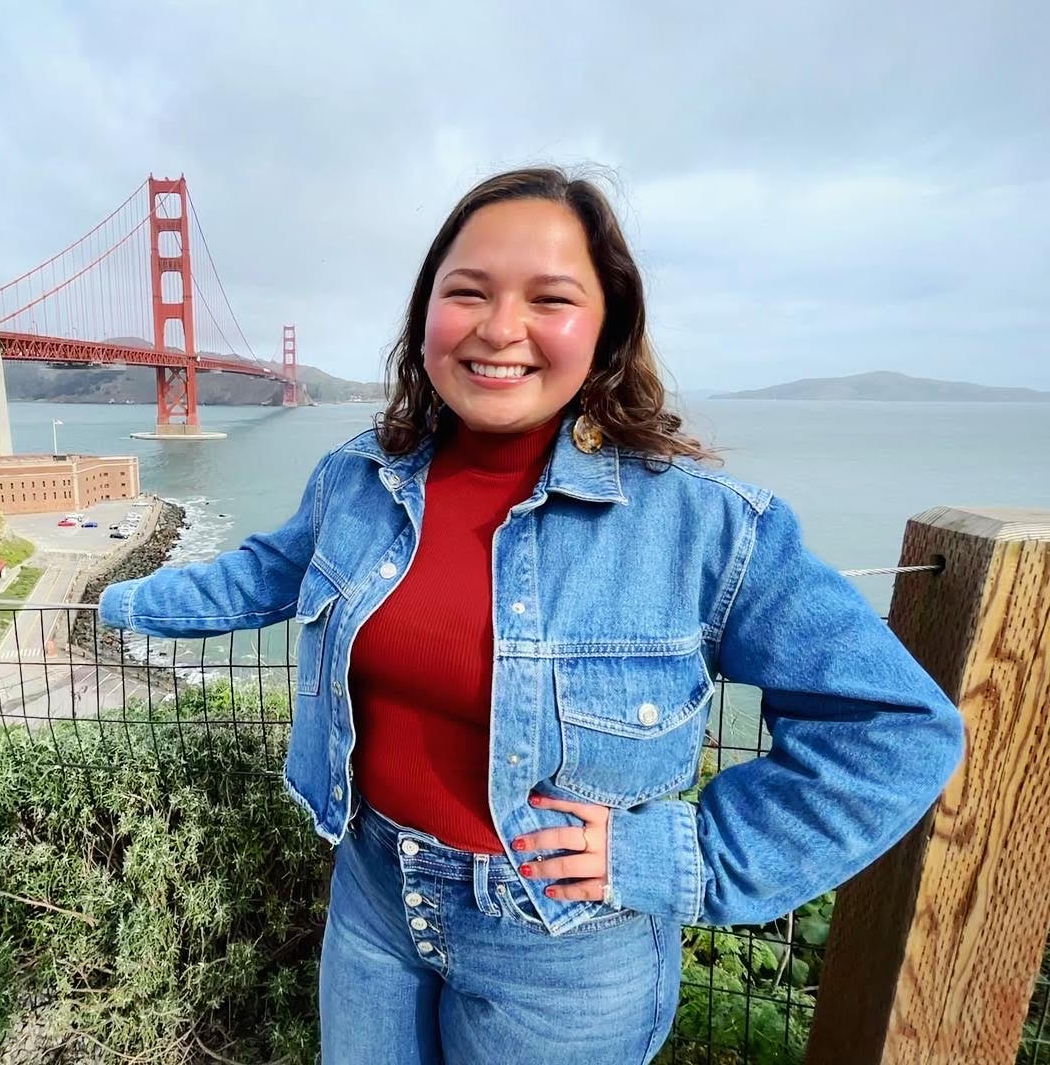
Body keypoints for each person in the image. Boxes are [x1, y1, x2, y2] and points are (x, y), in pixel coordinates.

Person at [97, 166, 964, 1065]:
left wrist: (684, 856)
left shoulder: (704, 524)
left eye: (550, 299)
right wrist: (115, 599)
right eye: (466, 292)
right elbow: (269, 569)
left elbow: (894, 728)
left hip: (564, 948)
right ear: (424, 314)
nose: (499, 329)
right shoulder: (358, 477)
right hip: (373, 895)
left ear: (608, 329)